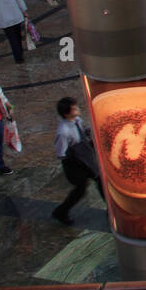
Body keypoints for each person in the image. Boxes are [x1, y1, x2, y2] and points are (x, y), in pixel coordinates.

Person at [51, 96, 102, 225]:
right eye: (74, 108)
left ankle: (111, 209)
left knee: (100, 179)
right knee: (80, 189)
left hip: (85, 158)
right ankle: (61, 211)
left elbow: (83, 133)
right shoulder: (63, 132)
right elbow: (61, 152)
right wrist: (78, 159)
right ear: (67, 113)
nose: (78, 109)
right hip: (76, 164)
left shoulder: (77, 120)